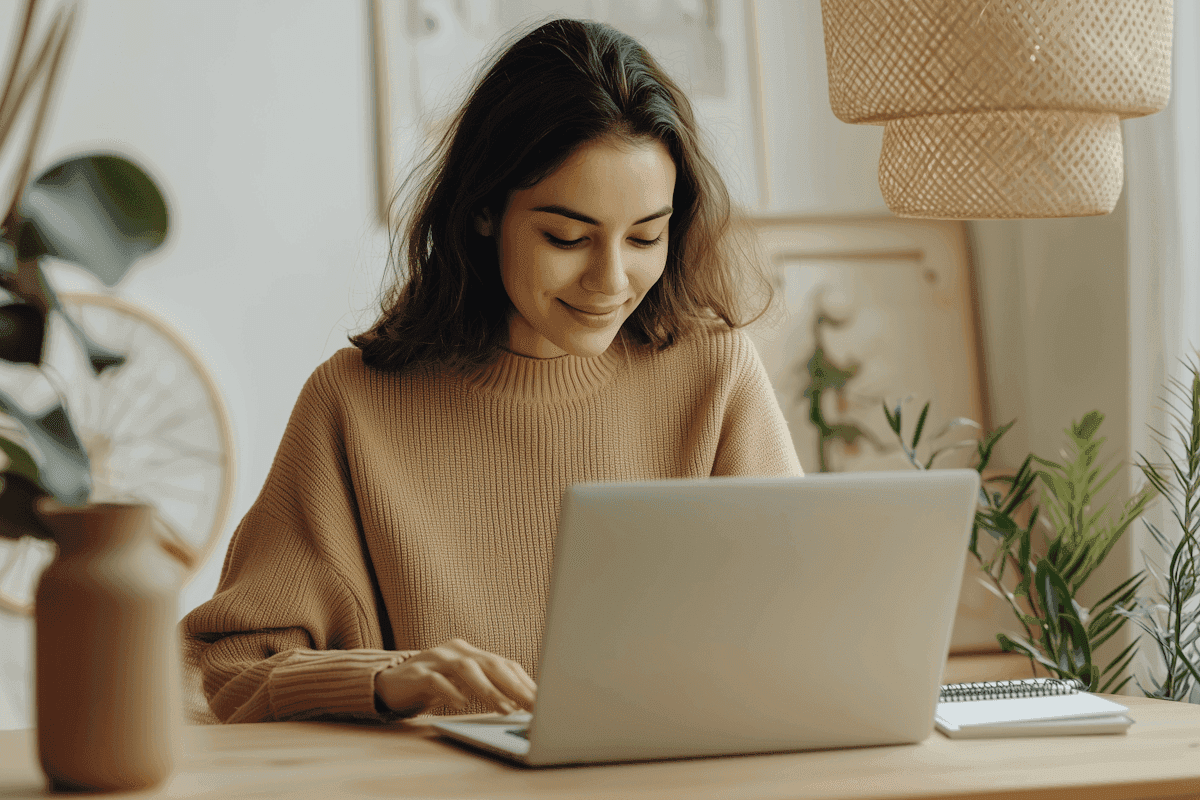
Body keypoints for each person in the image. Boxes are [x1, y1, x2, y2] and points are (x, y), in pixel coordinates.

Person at [182, 17, 802, 724]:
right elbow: (227, 667)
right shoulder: (353, 403)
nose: (610, 279)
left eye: (645, 236)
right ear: (482, 210)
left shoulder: (713, 377)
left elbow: (804, 631)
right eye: (567, 237)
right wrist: (390, 678)